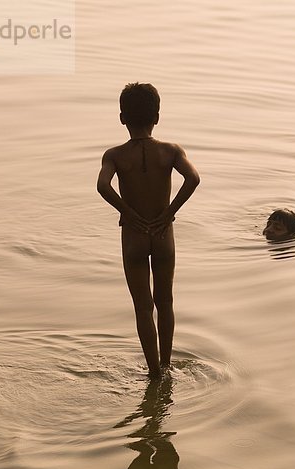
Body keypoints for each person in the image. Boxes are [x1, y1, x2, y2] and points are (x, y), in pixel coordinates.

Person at [97, 82, 200, 379]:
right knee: (164, 301)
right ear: (157, 117)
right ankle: (167, 365)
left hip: (134, 236)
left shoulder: (114, 155)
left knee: (143, 307)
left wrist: (128, 214)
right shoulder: (170, 151)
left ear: (122, 118)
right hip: (163, 234)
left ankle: (153, 372)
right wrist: (168, 214)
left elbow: (103, 186)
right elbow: (193, 178)